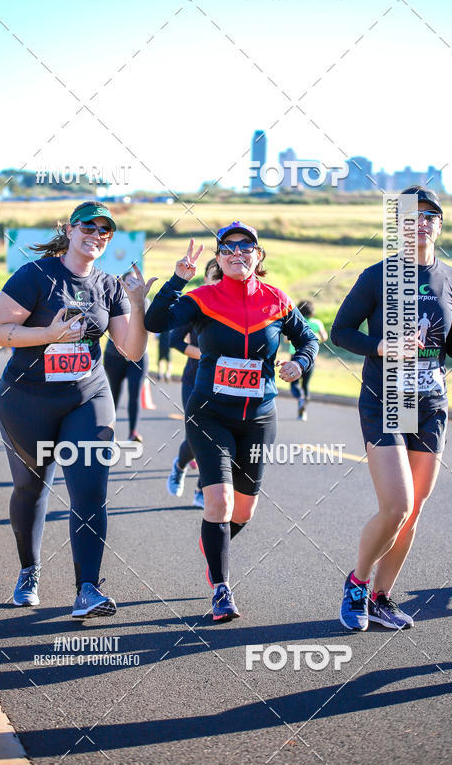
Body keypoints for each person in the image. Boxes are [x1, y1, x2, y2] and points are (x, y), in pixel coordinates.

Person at [145, 222, 319, 621]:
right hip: (210, 413)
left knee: (243, 512)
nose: (237, 252)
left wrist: (299, 361)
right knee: (219, 503)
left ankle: (215, 547)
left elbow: (308, 340)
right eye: (227, 247)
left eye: (246, 246)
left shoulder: (277, 300)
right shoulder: (203, 297)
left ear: (259, 256)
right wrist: (177, 280)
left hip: (259, 418)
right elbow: (155, 323)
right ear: (219, 258)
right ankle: (222, 588)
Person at [331, 187, 452, 631]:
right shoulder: (379, 274)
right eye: (410, 216)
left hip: (432, 401)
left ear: (440, 224)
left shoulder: (451, 279)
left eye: (429, 215)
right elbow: (340, 331)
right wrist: (380, 344)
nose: (420, 222)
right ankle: (357, 584)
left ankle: (381, 598)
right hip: (387, 398)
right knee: (396, 505)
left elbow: (451, 346)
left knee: (414, 509)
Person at [0, 201, 153, 618]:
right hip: (28, 399)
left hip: (87, 397)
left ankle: (88, 589)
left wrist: (138, 305)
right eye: (89, 226)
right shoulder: (36, 275)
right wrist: (48, 333)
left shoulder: (108, 285)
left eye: (105, 230)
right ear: (70, 229)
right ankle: (29, 570)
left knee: (89, 490)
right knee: (31, 487)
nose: (97, 234)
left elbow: (130, 349)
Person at [166, 257, 220, 508]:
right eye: (214, 274)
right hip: (194, 380)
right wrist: (207, 356)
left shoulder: (241, 307)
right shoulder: (195, 304)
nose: (220, 277)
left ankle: (202, 489)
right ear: (206, 279)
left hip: (226, 384)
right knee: (198, 434)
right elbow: (174, 341)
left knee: (217, 437)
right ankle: (179, 466)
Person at [103, 272, 150, 443]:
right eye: (127, 283)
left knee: (134, 393)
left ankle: (133, 432)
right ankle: (110, 432)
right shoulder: (114, 301)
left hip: (138, 358)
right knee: (113, 394)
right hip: (114, 356)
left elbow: (151, 326)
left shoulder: (145, 301)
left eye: (135, 283)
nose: (131, 286)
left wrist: (140, 303)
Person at [289, 300, 328, 421]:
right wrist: (313, 342)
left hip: (294, 358)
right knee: (305, 384)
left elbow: (286, 339)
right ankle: (303, 408)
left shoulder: (295, 322)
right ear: (312, 312)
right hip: (310, 359)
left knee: (294, 383)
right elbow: (324, 337)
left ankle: (299, 397)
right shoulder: (317, 323)